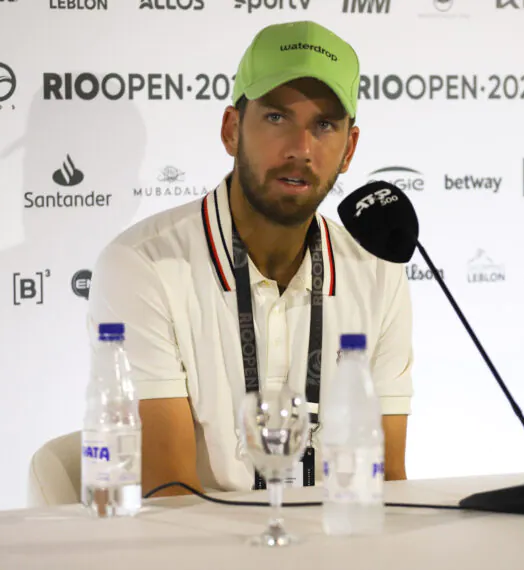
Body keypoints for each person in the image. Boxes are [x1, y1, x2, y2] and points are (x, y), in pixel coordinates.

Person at [86, 20, 414, 497]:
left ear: (349, 150)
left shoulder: (378, 269)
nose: (301, 149)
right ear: (231, 129)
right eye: (277, 118)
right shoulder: (142, 265)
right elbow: (170, 495)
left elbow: (387, 485)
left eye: (324, 125)